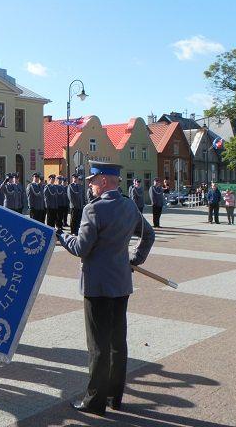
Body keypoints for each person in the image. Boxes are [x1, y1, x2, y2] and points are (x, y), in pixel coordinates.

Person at [57, 162, 155, 416]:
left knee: (97, 346)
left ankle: (94, 401)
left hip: (97, 286)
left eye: (92, 180)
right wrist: (134, 259)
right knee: (117, 343)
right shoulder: (129, 206)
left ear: (103, 181)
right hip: (121, 283)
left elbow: (81, 248)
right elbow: (149, 234)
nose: (89, 184)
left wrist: (61, 237)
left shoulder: (94, 209)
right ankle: (114, 397)